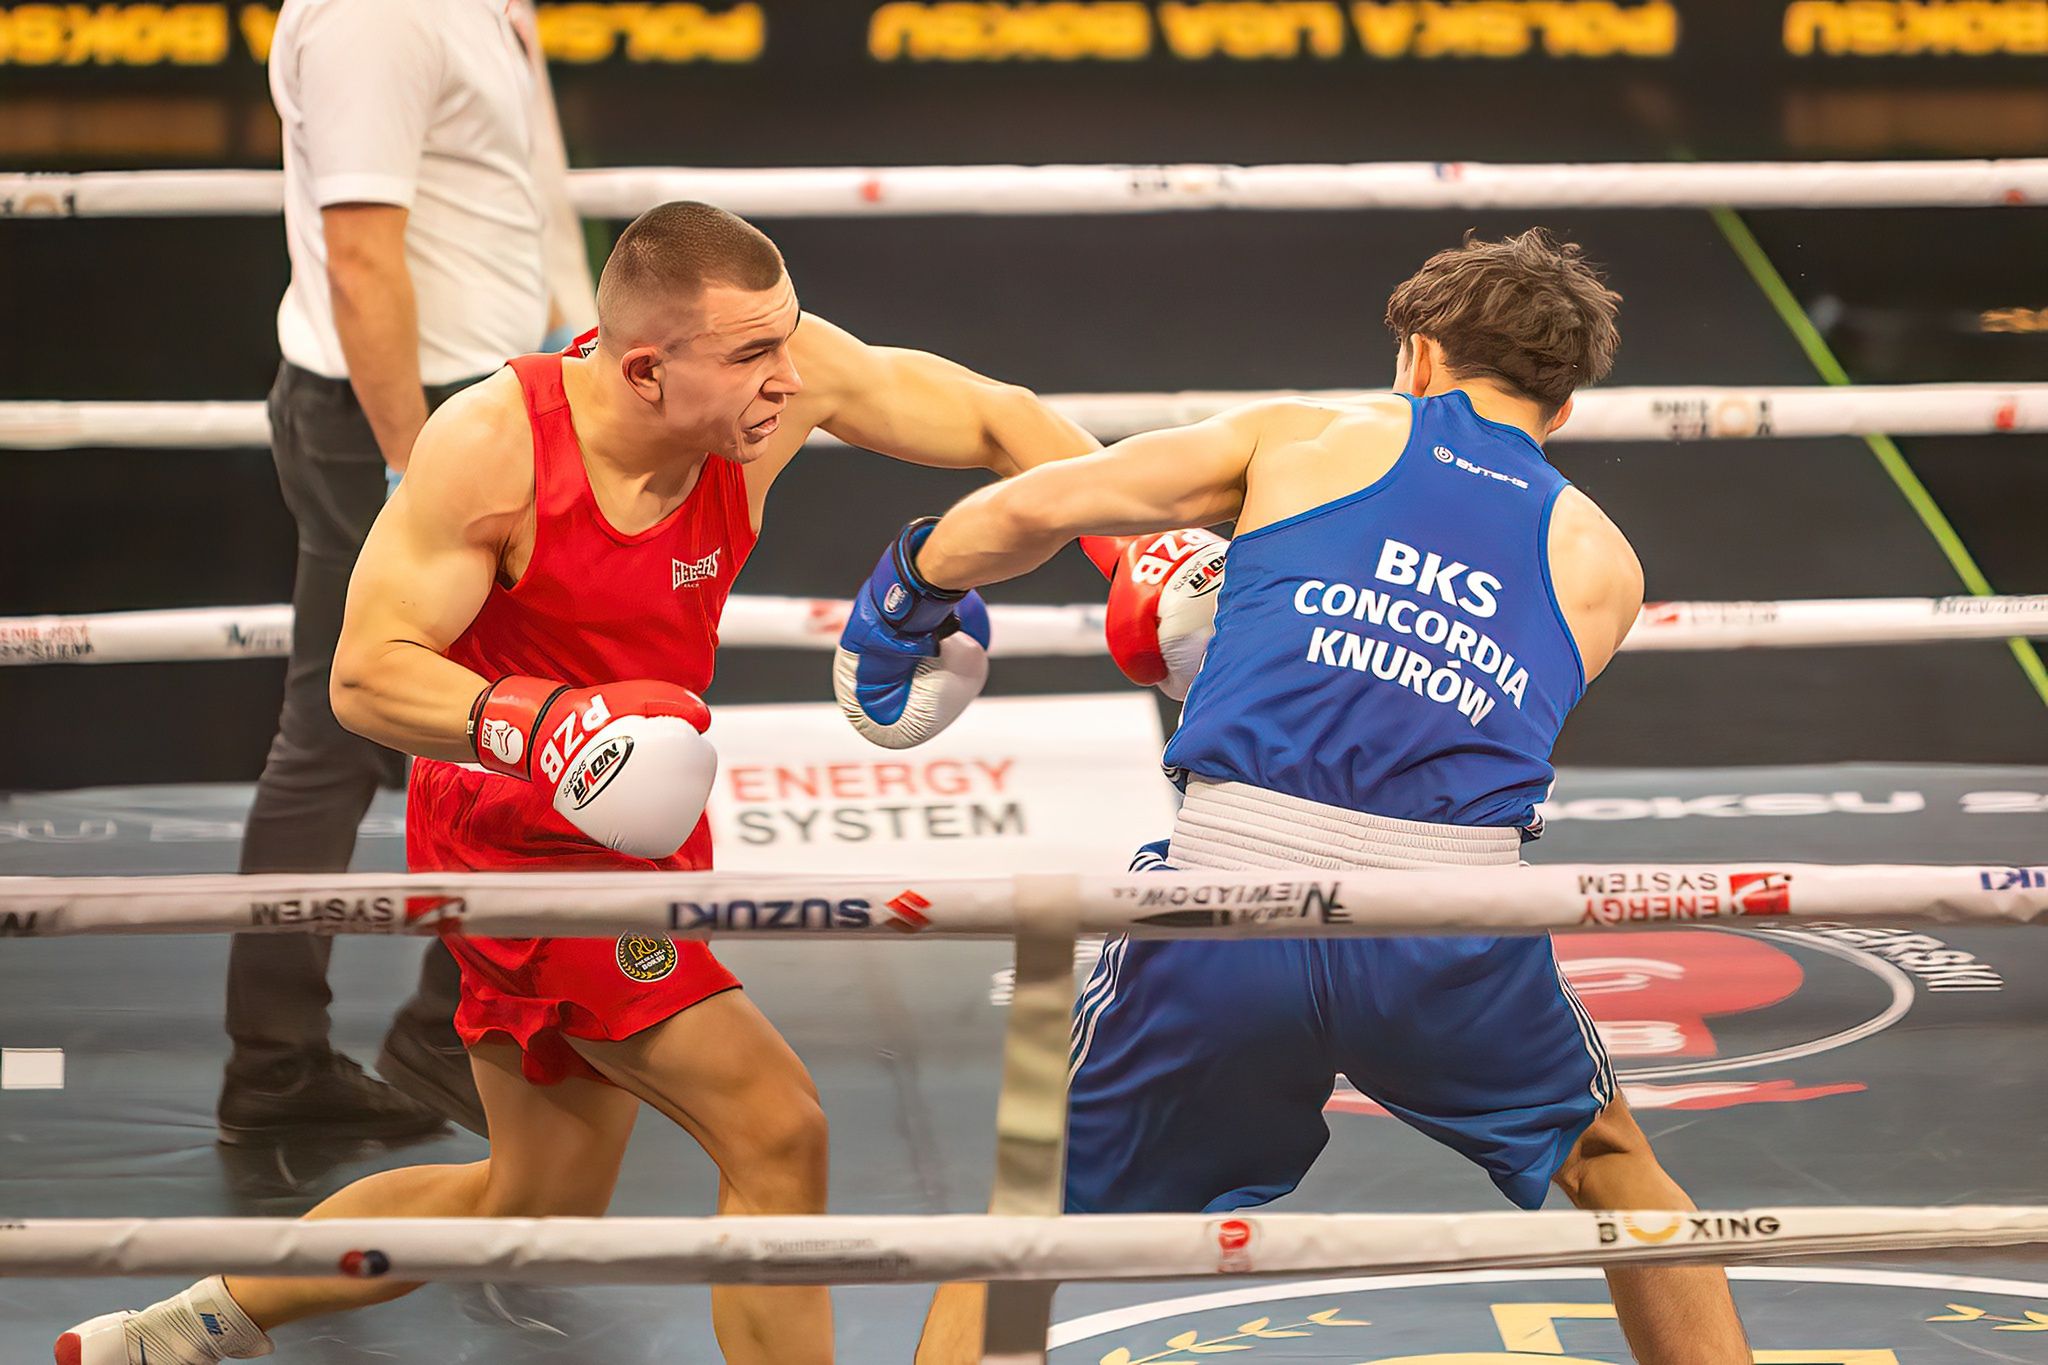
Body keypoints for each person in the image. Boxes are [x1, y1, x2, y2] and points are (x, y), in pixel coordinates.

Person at [56, 200, 1097, 1365]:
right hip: (516, 844)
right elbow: (365, 676)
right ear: (645, 368)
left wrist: (1135, 554)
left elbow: (1001, 422)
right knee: (776, 1130)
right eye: (751, 354)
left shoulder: (782, 387)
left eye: (786, 339)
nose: (784, 377)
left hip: (644, 826)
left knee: (529, 1201)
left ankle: (180, 1328)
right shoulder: (495, 443)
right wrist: (539, 725)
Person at [838, 229, 1754, 1365]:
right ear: (1558, 408)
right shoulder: (1605, 560)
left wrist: (913, 586)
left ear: (1417, 357)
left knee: (1031, 1220)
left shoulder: (1308, 434)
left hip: (1233, 893)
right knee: (1614, 1166)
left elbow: (1036, 506)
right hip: (1449, 923)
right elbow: (1435, 710)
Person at [223, 0, 599, 1143]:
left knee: (504, 708)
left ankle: (404, 1041)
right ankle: (312, 1059)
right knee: (356, 724)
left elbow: (524, 196)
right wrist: (410, 463)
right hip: (400, 417)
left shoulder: (480, 5)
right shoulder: (374, 15)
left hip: (487, 398)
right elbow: (359, 251)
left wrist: (571, 362)